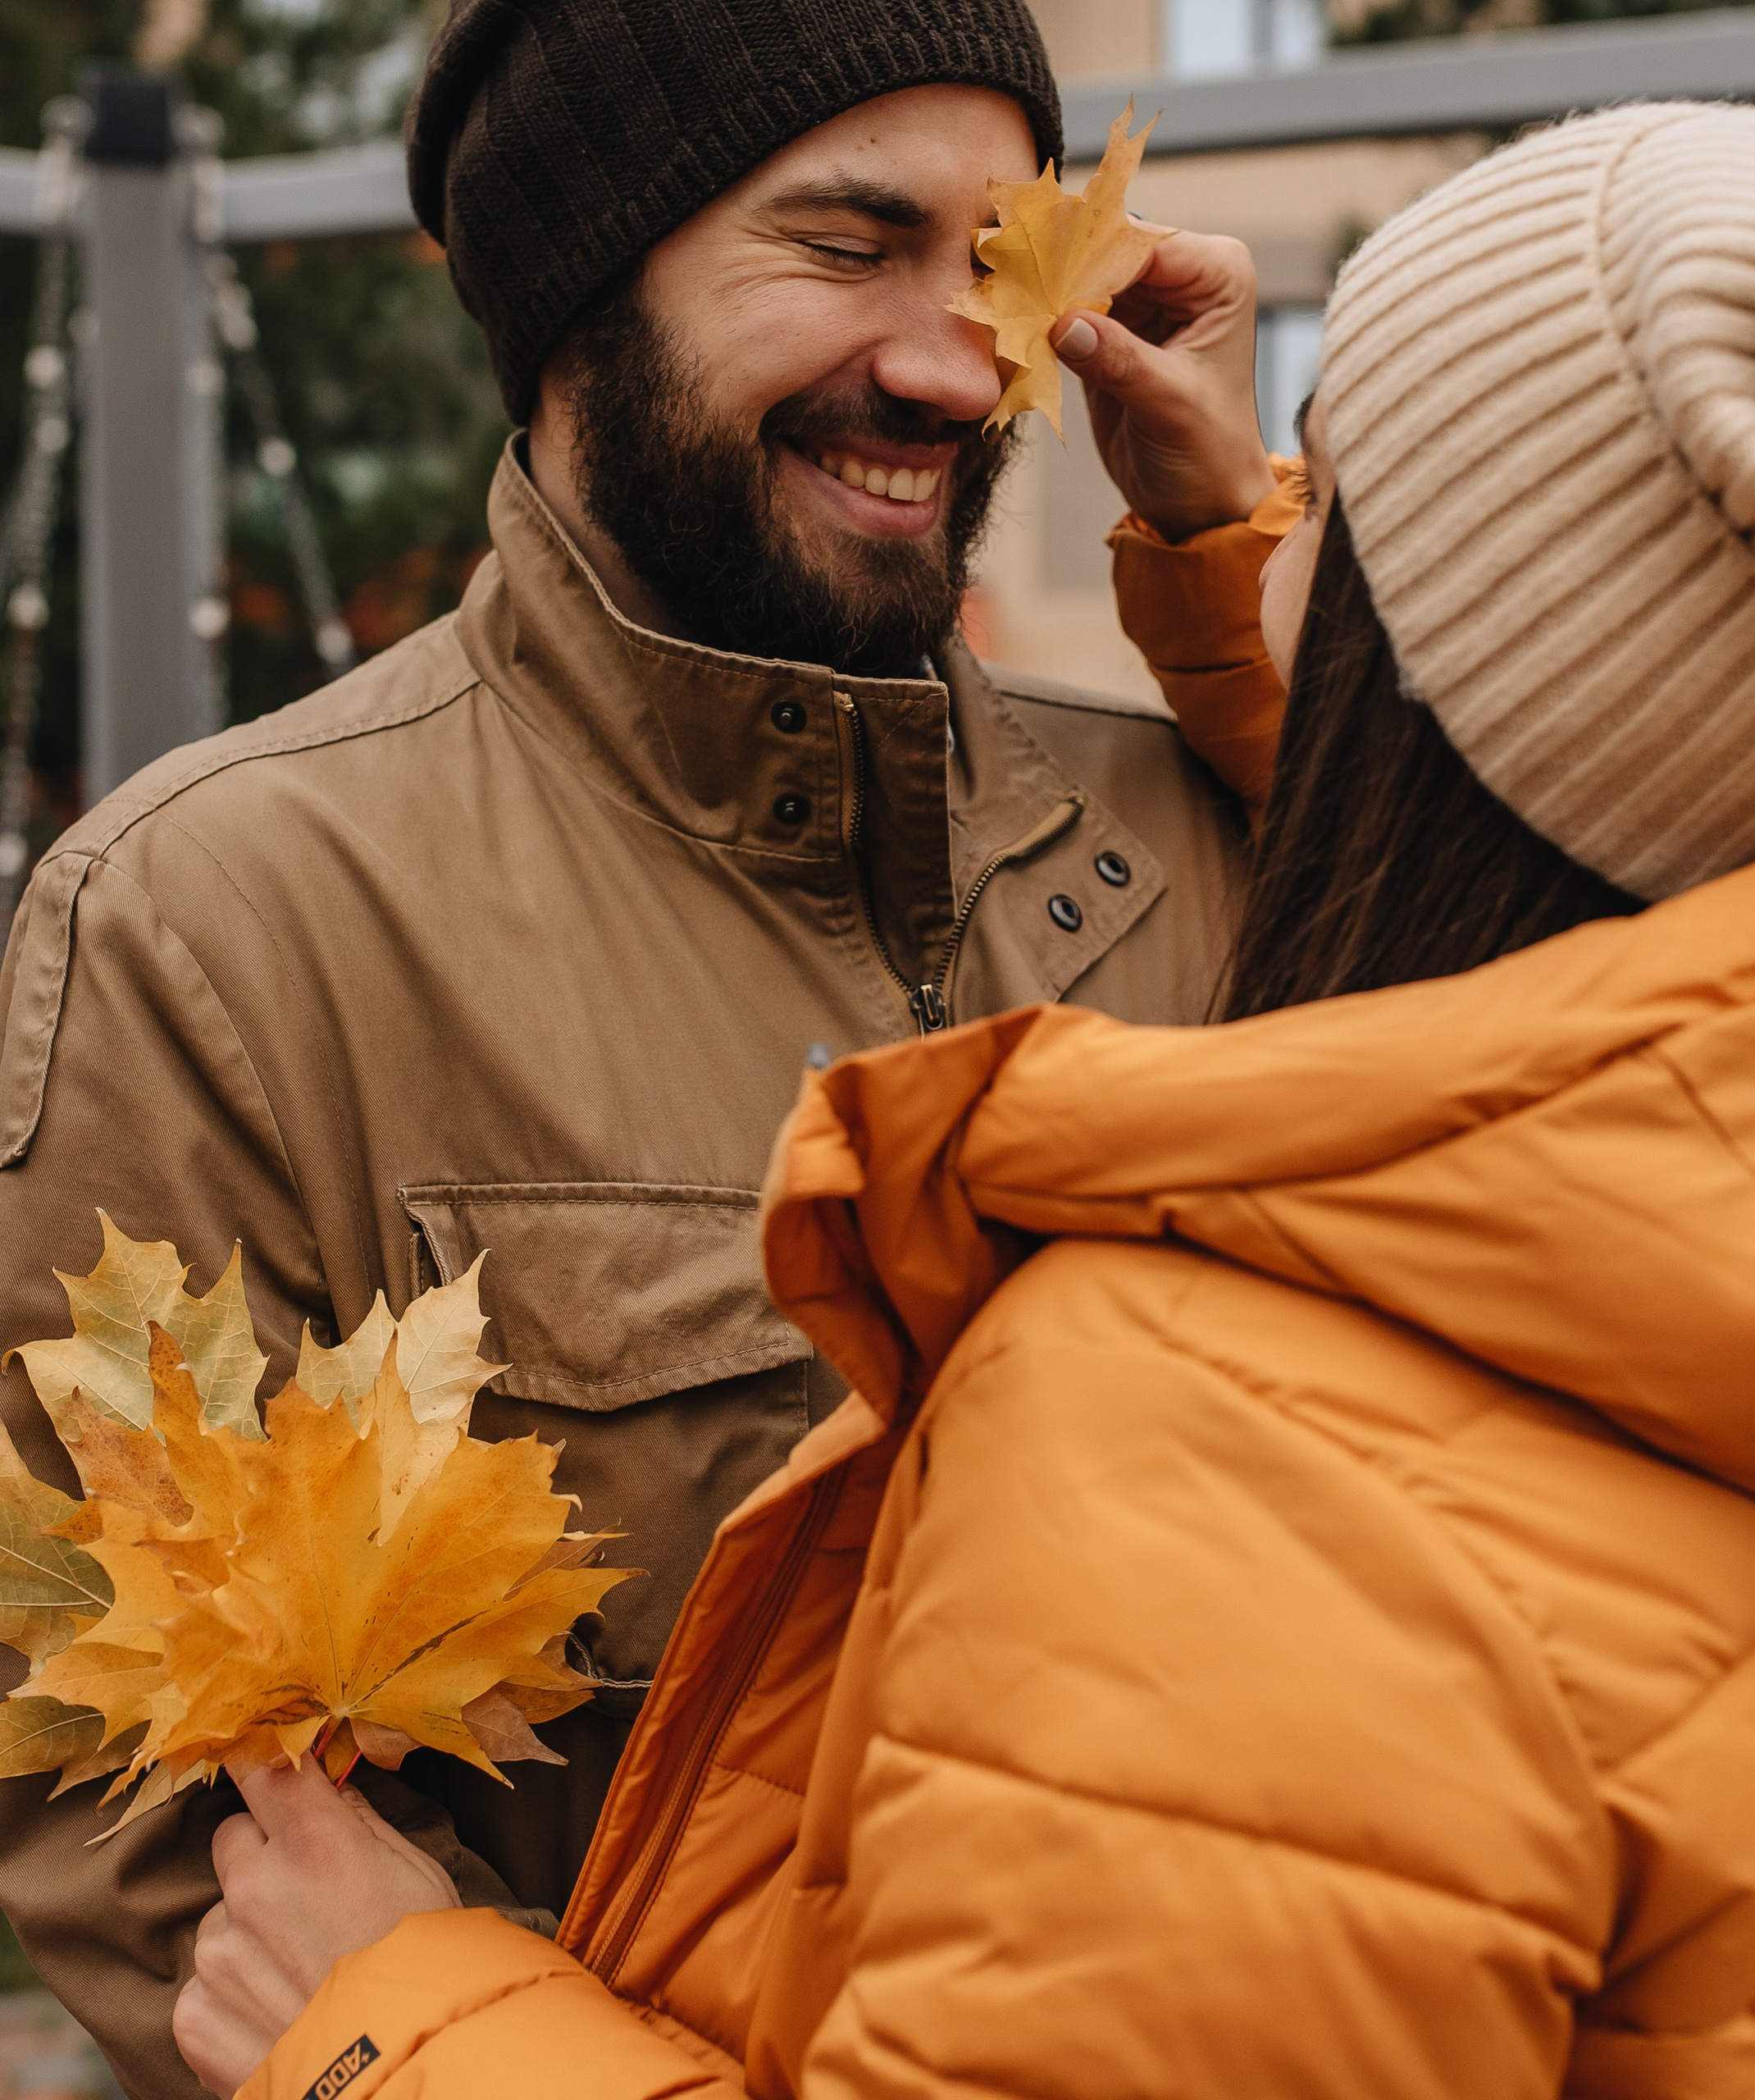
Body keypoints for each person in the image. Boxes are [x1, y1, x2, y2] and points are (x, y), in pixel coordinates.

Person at [161, 98, 1755, 2100]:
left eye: (1327, 494)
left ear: (1448, 666)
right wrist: (1264, 576)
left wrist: (399, 2041)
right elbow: (1582, 840)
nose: (1266, 504)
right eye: (847, 245)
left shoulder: (1216, 1438)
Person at [0, 0, 1285, 2089]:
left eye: (994, 265)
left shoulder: (1226, 818)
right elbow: (176, 1853)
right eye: (847, 245)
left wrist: (1254, 577)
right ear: (584, 288)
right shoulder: (224, 925)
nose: (956, 363)